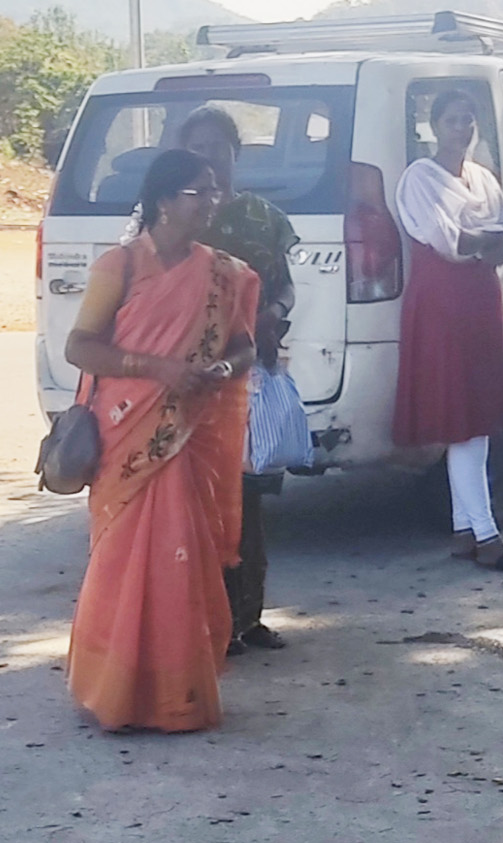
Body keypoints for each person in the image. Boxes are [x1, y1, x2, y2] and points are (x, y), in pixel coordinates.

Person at [64, 148, 261, 733]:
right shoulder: (119, 267)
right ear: (164, 201)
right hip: (130, 432)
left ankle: (178, 697)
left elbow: (245, 347)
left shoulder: (225, 273)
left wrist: (222, 373)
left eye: (216, 192)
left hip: (190, 435)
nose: (212, 203)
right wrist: (157, 367)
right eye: (200, 192)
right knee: (123, 564)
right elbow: (80, 347)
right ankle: (113, 692)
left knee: (180, 562)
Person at [394, 90, 503, 575]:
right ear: (435, 125)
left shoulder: (481, 179)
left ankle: (465, 528)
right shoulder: (420, 178)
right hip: (443, 306)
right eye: (453, 119)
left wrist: (483, 241)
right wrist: (484, 239)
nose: (462, 129)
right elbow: (451, 243)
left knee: (479, 415)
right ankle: (487, 535)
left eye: (468, 120)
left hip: (480, 303)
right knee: (465, 425)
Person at [179, 105, 300, 657]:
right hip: (192, 380)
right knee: (200, 503)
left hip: (250, 373)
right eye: (195, 149)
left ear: (235, 153)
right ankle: (207, 622)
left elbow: (287, 288)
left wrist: (271, 313)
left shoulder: (262, 218)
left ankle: (247, 619)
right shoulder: (172, 221)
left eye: (216, 148)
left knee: (248, 503)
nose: (207, 158)